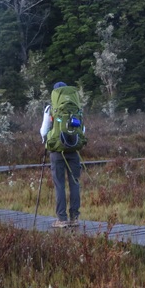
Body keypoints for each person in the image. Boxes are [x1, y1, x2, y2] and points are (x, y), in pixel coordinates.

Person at [40, 81, 83, 228]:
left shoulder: (50, 108)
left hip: (57, 152)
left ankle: (62, 219)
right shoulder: (76, 108)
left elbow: (43, 131)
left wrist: (46, 140)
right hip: (74, 151)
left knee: (59, 185)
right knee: (75, 183)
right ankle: (75, 218)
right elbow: (82, 131)